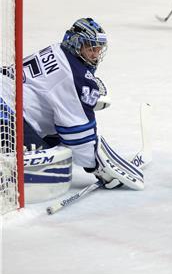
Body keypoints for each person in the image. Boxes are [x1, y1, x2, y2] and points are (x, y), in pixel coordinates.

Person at [0, 18, 143, 190]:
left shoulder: (57, 49)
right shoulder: (76, 75)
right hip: (6, 115)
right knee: (50, 168)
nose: (96, 55)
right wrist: (97, 166)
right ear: (76, 44)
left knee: (58, 146)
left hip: (7, 101)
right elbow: (78, 135)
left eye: (98, 49)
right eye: (91, 48)